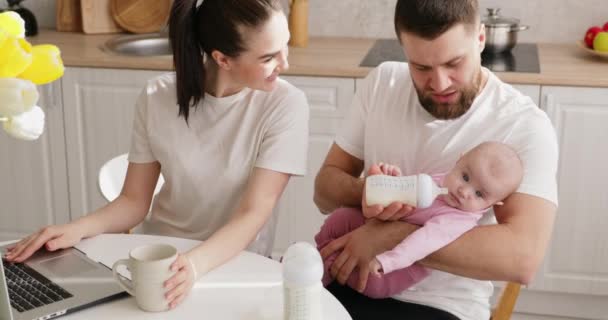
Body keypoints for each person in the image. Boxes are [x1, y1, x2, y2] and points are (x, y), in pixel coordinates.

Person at [4, 0, 309, 310]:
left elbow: (253, 214)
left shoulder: (285, 106)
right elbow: (134, 202)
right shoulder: (157, 96)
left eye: (284, 47)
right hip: (159, 260)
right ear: (223, 59)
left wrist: (192, 266)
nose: (286, 64)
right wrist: (73, 229)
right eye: (270, 57)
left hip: (233, 265)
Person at [313, 0, 558, 319]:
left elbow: (523, 259)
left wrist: (394, 233)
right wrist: (372, 193)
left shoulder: (523, 124)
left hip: (440, 305)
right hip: (349, 274)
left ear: (480, 39)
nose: (440, 83)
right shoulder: (382, 84)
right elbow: (324, 189)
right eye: (422, 68)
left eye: (454, 63)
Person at [316, 141, 524, 299]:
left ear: (493, 204)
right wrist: (391, 180)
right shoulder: (442, 180)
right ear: (459, 161)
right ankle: (316, 251)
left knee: (342, 264)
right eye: (466, 177)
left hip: (390, 274)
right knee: (342, 217)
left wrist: (386, 261)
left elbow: (420, 244)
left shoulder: (458, 220)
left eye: (479, 194)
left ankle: (317, 275)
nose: (463, 191)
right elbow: (407, 195)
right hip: (377, 235)